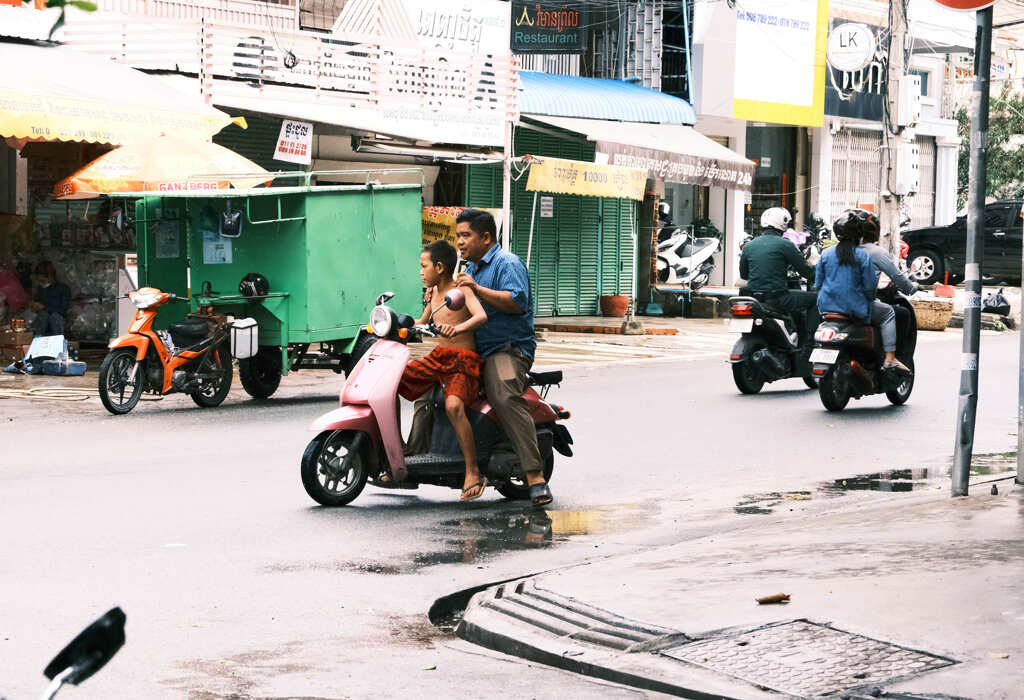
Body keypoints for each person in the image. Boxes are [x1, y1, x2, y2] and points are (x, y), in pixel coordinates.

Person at [453, 209, 552, 507]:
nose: (460, 242)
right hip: (476, 350)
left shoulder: (506, 263)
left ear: (485, 237)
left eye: (465, 235)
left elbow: (516, 301)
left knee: (503, 393)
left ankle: (535, 478)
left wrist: (477, 288)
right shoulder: (469, 268)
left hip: (508, 349)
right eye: (457, 236)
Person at [397, 241, 489, 501]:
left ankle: (473, 471)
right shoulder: (434, 291)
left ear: (439, 267)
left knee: (453, 407)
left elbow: (480, 316)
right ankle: (400, 453)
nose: (420, 271)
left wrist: (458, 329)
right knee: (390, 383)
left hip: (463, 360)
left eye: (423, 266)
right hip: (439, 358)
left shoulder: (460, 289)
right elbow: (422, 322)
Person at [815, 210, 913, 368]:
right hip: (854, 309)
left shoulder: (826, 254)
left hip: (826, 308)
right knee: (888, 313)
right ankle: (889, 357)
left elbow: (818, 283)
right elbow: (869, 288)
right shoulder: (863, 256)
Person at [738, 207, 819, 348]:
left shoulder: (749, 246)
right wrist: (823, 269)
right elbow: (808, 273)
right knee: (816, 299)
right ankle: (809, 342)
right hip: (778, 299)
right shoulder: (786, 245)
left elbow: (744, 275)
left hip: (753, 299)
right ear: (783, 224)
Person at [855, 210, 916, 373]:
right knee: (895, 313)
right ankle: (890, 357)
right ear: (874, 232)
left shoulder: (835, 252)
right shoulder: (876, 252)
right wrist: (912, 287)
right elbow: (898, 278)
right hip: (857, 305)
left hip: (830, 305)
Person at [30, 261, 71, 337]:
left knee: (54, 316)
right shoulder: (41, 289)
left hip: (57, 324)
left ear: (50, 276)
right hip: (42, 324)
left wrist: (44, 307)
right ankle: (37, 341)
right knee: (43, 314)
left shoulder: (63, 289)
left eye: (42, 281)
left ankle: (57, 342)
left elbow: (63, 311)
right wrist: (34, 306)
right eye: (39, 281)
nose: (40, 283)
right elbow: (37, 304)